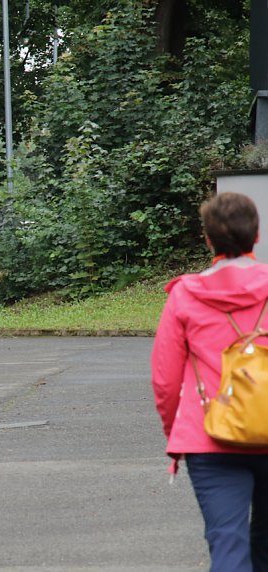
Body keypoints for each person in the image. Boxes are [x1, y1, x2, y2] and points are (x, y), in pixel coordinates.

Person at [151, 192, 268, 572]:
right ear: (257, 235)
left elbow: (165, 380)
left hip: (210, 438)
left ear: (207, 239)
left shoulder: (185, 295)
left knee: (227, 544)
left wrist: (177, 433)